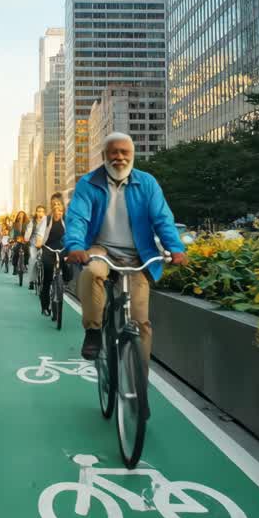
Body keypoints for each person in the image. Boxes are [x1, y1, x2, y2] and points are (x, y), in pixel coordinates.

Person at [65, 132, 188, 363]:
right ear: (104, 155)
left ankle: (139, 388)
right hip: (101, 249)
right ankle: (93, 332)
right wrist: (74, 245)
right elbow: (77, 218)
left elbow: (162, 218)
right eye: (114, 152)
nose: (119, 157)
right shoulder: (88, 183)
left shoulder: (147, 183)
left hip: (137, 256)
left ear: (132, 155)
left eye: (125, 152)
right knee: (92, 273)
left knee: (141, 323)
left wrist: (175, 248)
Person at [36, 196, 68, 315]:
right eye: (54, 204)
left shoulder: (67, 219)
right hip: (48, 248)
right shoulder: (47, 219)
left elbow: (72, 233)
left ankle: (61, 284)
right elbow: (40, 233)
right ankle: (45, 306)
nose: (56, 206)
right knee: (47, 277)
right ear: (51, 206)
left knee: (68, 271)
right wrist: (39, 242)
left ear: (63, 206)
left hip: (63, 248)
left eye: (58, 204)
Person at [27, 204, 48, 291]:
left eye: (42, 211)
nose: (40, 213)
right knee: (32, 259)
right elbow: (28, 232)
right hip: (33, 244)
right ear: (36, 212)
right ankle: (31, 281)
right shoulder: (32, 222)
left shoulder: (47, 220)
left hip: (45, 244)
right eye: (39, 211)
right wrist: (26, 238)